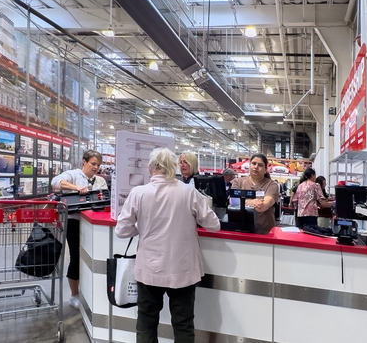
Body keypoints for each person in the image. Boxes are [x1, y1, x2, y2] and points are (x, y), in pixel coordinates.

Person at [116, 147, 220, 343]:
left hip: (149, 269)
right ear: (174, 167)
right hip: (183, 269)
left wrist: (141, 226)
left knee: (146, 322)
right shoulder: (189, 192)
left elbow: (121, 230)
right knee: (183, 324)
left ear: (150, 168)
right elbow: (214, 224)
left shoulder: (138, 193)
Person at [51, 150, 109, 309]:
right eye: (93, 164)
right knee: (76, 257)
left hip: (95, 225)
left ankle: (90, 291)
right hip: (74, 222)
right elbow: (56, 182)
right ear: (84, 161)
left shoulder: (100, 181)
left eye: (98, 165)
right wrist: (77, 188)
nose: (96, 167)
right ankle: (74, 294)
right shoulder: (73, 174)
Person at [229, 153, 281, 234]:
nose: (256, 167)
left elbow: (262, 206)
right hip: (240, 229)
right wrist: (252, 202)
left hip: (264, 232)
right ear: (249, 165)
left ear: (265, 169)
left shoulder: (272, 185)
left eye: (260, 165)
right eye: (253, 163)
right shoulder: (238, 182)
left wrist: (242, 201)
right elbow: (232, 201)